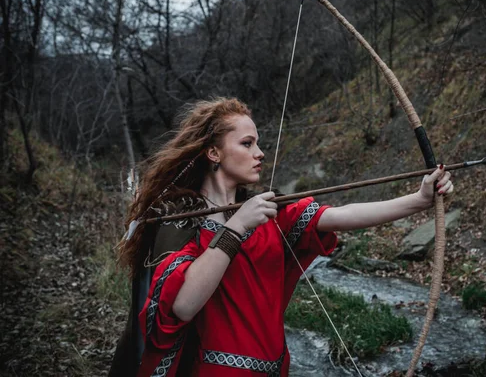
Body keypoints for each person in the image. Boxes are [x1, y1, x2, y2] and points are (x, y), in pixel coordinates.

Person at [109, 97, 453, 377]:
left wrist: (419, 200)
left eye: (258, 143)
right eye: (247, 143)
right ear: (213, 153)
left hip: (276, 368)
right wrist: (235, 229)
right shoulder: (182, 219)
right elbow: (182, 306)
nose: (260, 152)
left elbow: (343, 214)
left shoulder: (267, 213)